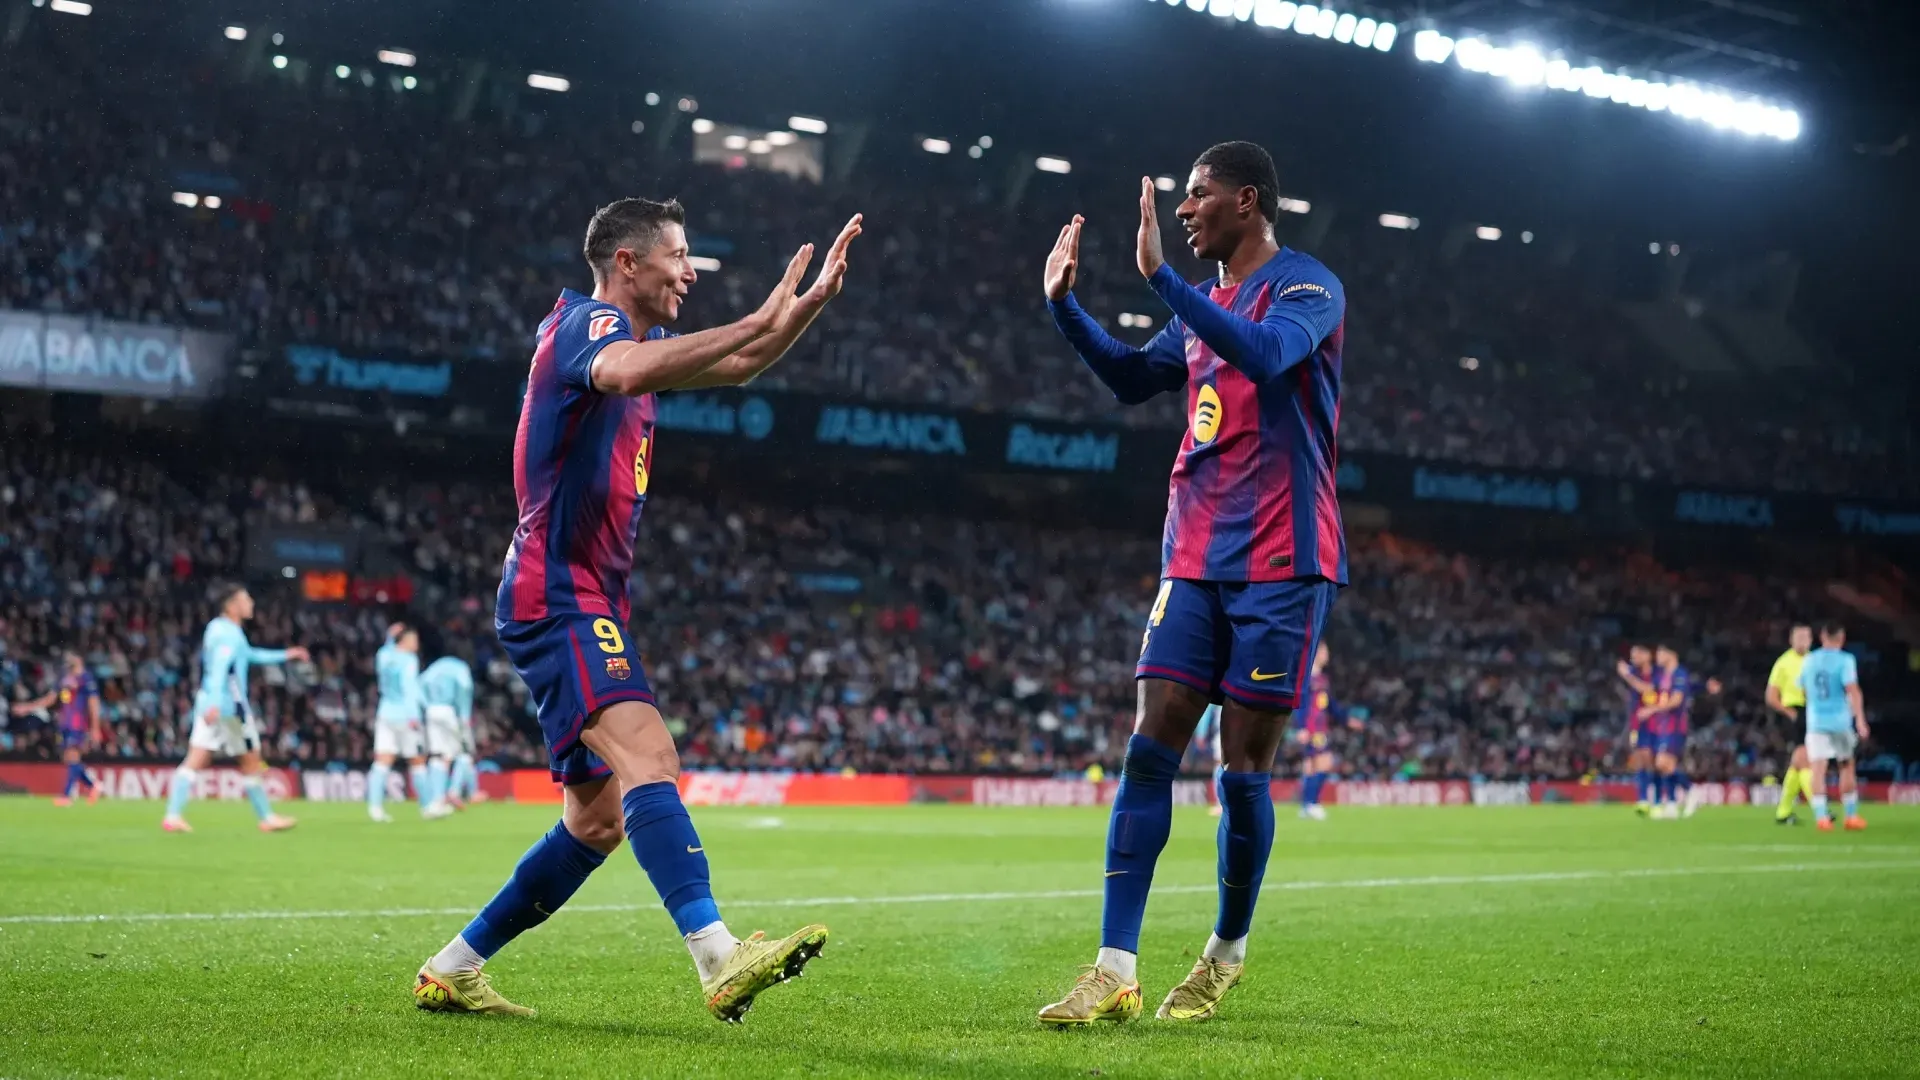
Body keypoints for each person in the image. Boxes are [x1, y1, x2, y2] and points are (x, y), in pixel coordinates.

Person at [413, 196, 862, 1022]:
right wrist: (758, 313)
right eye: (679, 256)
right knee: (650, 758)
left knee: (594, 823)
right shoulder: (583, 327)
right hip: (559, 592)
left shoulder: (643, 344)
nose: (690, 271)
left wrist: (801, 310)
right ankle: (718, 956)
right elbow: (623, 372)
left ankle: (454, 965)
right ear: (628, 262)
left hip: (582, 592)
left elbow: (738, 367)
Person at [1039, 141, 1346, 1025]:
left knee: (1242, 771)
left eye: (1199, 194)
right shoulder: (1201, 306)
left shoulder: (1307, 288)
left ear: (1247, 201)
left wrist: (1163, 281)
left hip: (1284, 560)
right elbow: (1136, 378)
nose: (1183, 208)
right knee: (1149, 744)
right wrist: (1067, 309)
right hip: (1195, 554)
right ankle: (1114, 967)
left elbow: (1265, 357)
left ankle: (1224, 952)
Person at [161, 584, 306, 833]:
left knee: (195, 758)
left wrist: (285, 655)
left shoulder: (218, 629)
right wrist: (217, 703)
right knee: (251, 761)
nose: (250, 603)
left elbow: (248, 655)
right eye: (246, 599)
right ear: (231, 605)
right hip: (230, 707)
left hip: (208, 700)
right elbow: (219, 667)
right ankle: (267, 818)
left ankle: (173, 815)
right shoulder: (228, 634)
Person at [1797, 623, 1869, 832]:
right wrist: (1860, 720)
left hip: (1816, 723)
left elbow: (1802, 687)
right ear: (1842, 637)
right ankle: (1850, 816)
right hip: (1840, 722)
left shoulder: (1809, 660)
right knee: (1846, 767)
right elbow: (1853, 691)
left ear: (1822, 636)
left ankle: (1822, 819)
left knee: (1817, 770)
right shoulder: (1845, 660)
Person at [11, 650, 102, 805]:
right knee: (68, 758)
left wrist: (95, 727)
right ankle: (93, 785)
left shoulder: (86, 679)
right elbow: (49, 699)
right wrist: (27, 708)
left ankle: (66, 796)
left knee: (72, 755)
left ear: (79, 660)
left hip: (78, 722)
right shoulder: (64, 679)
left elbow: (93, 703)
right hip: (65, 723)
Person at [368, 624, 436, 822]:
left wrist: (389, 636)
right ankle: (428, 806)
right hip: (406, 716)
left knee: (382, 761)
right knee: (417, 760)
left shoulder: (383, 655)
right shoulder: (408, 660)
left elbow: (387, 648)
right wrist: (415, 716)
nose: (416, 643)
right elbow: (409, 689)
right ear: (404, 641)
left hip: (385, 713)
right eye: (413, 639)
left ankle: (375, 808)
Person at [1764, 625, 1816, 825]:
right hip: (1792, 712)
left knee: (1798, 762)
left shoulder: (1814, 660)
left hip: (1811, 711)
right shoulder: (1783, 663)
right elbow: (1771, 696)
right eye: (1798, 636)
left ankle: (1783, 812)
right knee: (1805, 758)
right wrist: (1790, 713)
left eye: (1806, 636)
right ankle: (1819, 807)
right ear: (1791, 640)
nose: (1802, 640)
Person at [1294, 643, 1350, 821]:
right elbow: (1300, 703)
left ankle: (1307, 805)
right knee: (1325, 762)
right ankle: (1311, 803)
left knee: (1311, 767)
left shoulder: (1322, 679)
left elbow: (1329, 704)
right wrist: (1301, 726)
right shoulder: (1306, 677)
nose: (1327, 655)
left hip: (1320, 727)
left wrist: (1346, 719)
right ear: (1316, 653)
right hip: (1313, 729)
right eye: (1325, 651)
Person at [420, 650, 475, 814]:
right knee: (464, 753)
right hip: (450, 712)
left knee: (438, 755)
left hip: (431, 711)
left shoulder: (434, 667)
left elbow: (419, 685)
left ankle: (437, 800)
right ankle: (454, 791)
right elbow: (465, 686)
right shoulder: (459, 667)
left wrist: (427, 705)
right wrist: (464, 715)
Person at [1647, 645, 1693, 820]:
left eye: (1660, 653)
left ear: (1671, 654)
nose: (1657, 656)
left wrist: (1652, 710)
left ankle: (1691, 792)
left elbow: (1676, 701)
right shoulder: (1663, 677)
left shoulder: (1679, 675)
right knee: (1667, 766)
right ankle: (1672, 805)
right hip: (1663, 725)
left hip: (1675, 725)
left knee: (1662, 763)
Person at [1615, 645, 1658, 815]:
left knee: (1654, 761)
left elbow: (1648, 689)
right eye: (1631, 655)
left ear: (1647, 654)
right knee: (1639, 759)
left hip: (1657, 722)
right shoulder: (1634, 671)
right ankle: (1643, 800)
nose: (1633, 658)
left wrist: (1627, 675)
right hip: (1638, 723)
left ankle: (1659, 798)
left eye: (1636, 654)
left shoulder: (1657, 673)